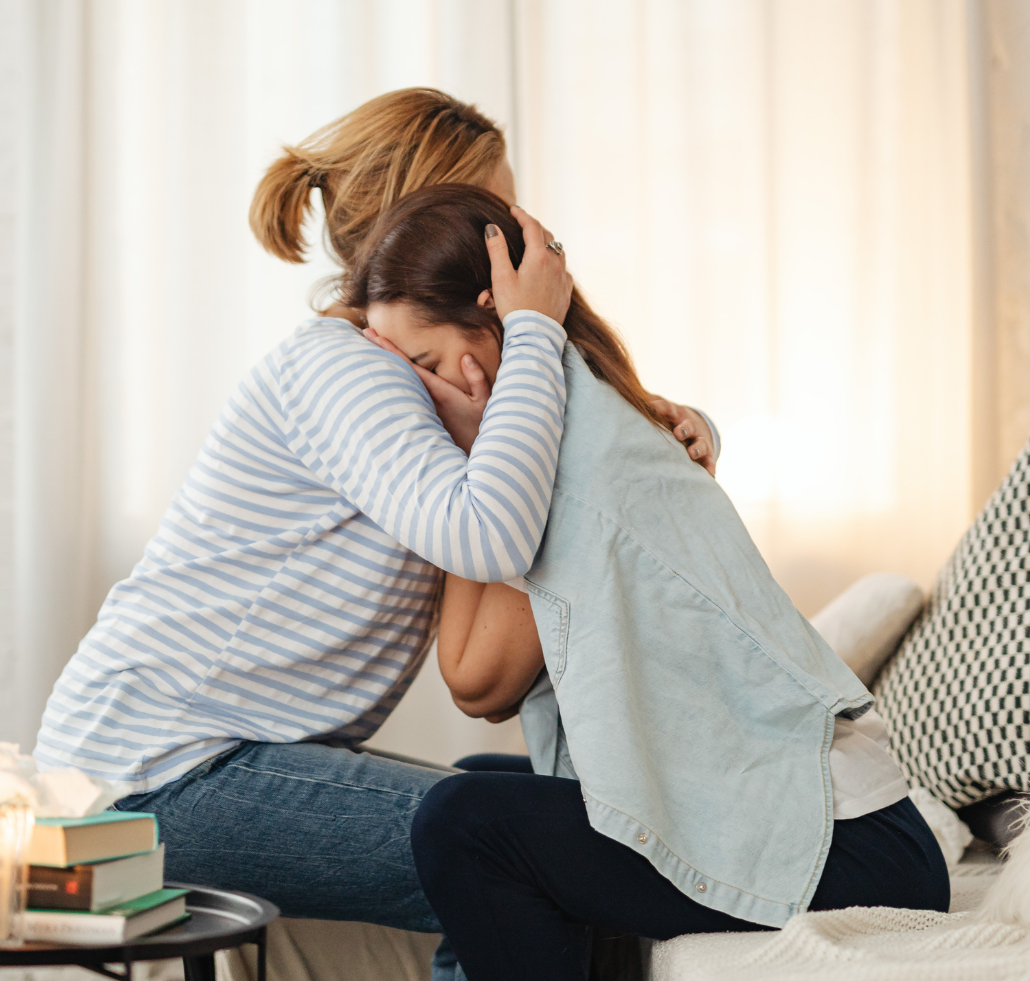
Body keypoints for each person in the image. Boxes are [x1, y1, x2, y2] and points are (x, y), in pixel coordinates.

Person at [32, 88, 715, 933]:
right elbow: (490, 533)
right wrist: (536, 330)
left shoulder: (419, 374)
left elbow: (555, 466)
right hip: (150, 774)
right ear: (422, 226)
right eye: (497, 218)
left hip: (201, 760)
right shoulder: (345, 370)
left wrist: (683, 425)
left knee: (504, 816)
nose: (520, 238)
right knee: (505, 848)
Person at [344, 183, 951, 981]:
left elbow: (476, 681)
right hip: (826, 827)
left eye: (423, 366)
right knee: (479, 784)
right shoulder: (570, 415)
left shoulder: (573, 451)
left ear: (496, 323)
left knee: (464, 822)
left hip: (851, 846)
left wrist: (473, 456)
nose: (414, 398)